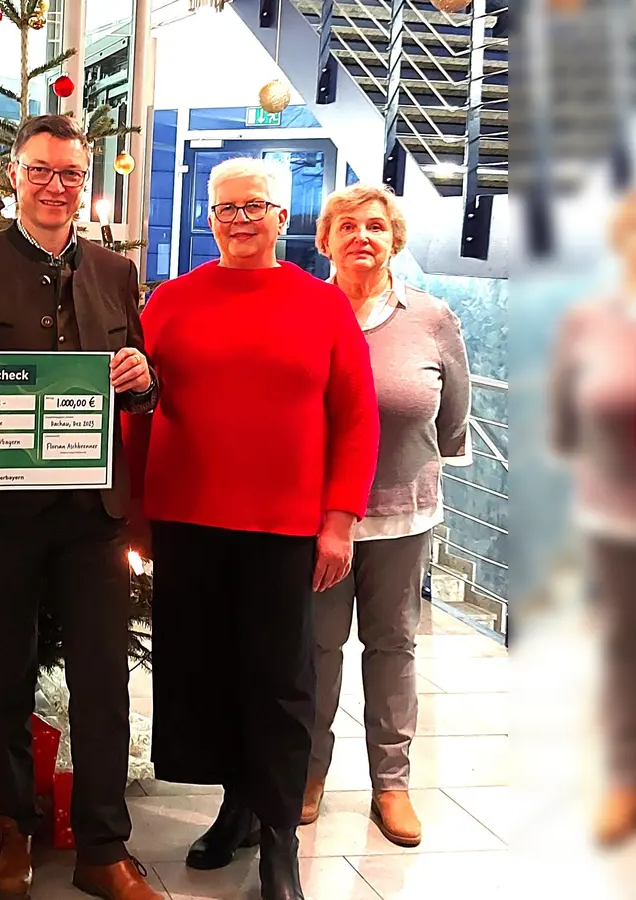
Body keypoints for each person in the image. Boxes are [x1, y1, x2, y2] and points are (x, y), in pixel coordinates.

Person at [0, 114, 161, 900]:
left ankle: (103, 847)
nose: (56, 186)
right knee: (3, 676)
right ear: (13, 176)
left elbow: (142, 382)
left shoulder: (114, 272)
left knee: (104, 682)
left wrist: (142, 378)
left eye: (71, 174)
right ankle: (15, 832)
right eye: (41, 171)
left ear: (84, 183)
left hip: (91, 514)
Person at [131, 157, 378, 900]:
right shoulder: (168, 302)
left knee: (278, 682)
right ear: (210, 218)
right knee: (206, 674)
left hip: (284, 525)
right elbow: (139, 411)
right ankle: (234, 808)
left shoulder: (322, 305)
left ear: (281, 217)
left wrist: (338, 521)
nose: (240, 219)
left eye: (255, 206)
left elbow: (357, 419)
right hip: (185, 518)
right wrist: (135, 519)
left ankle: (278, 839)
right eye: (226, 207)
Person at [303, 184, 472, 847]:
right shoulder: (305, 312)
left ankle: (391, 783)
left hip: (401, 517)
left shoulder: (431, 319)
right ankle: (310, 772)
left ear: (394, 239)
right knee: (315, 649)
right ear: (327, 241)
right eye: (346, 226)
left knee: (394, 647)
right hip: (317, 521)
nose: (361, 236)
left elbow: (454, 411)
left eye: (375, 226)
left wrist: (427, 461)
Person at [550, 188, 636, 848]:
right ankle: (624, 781)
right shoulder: (589, 321)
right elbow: (565, 425)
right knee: (624, 656)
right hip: (618, 523)